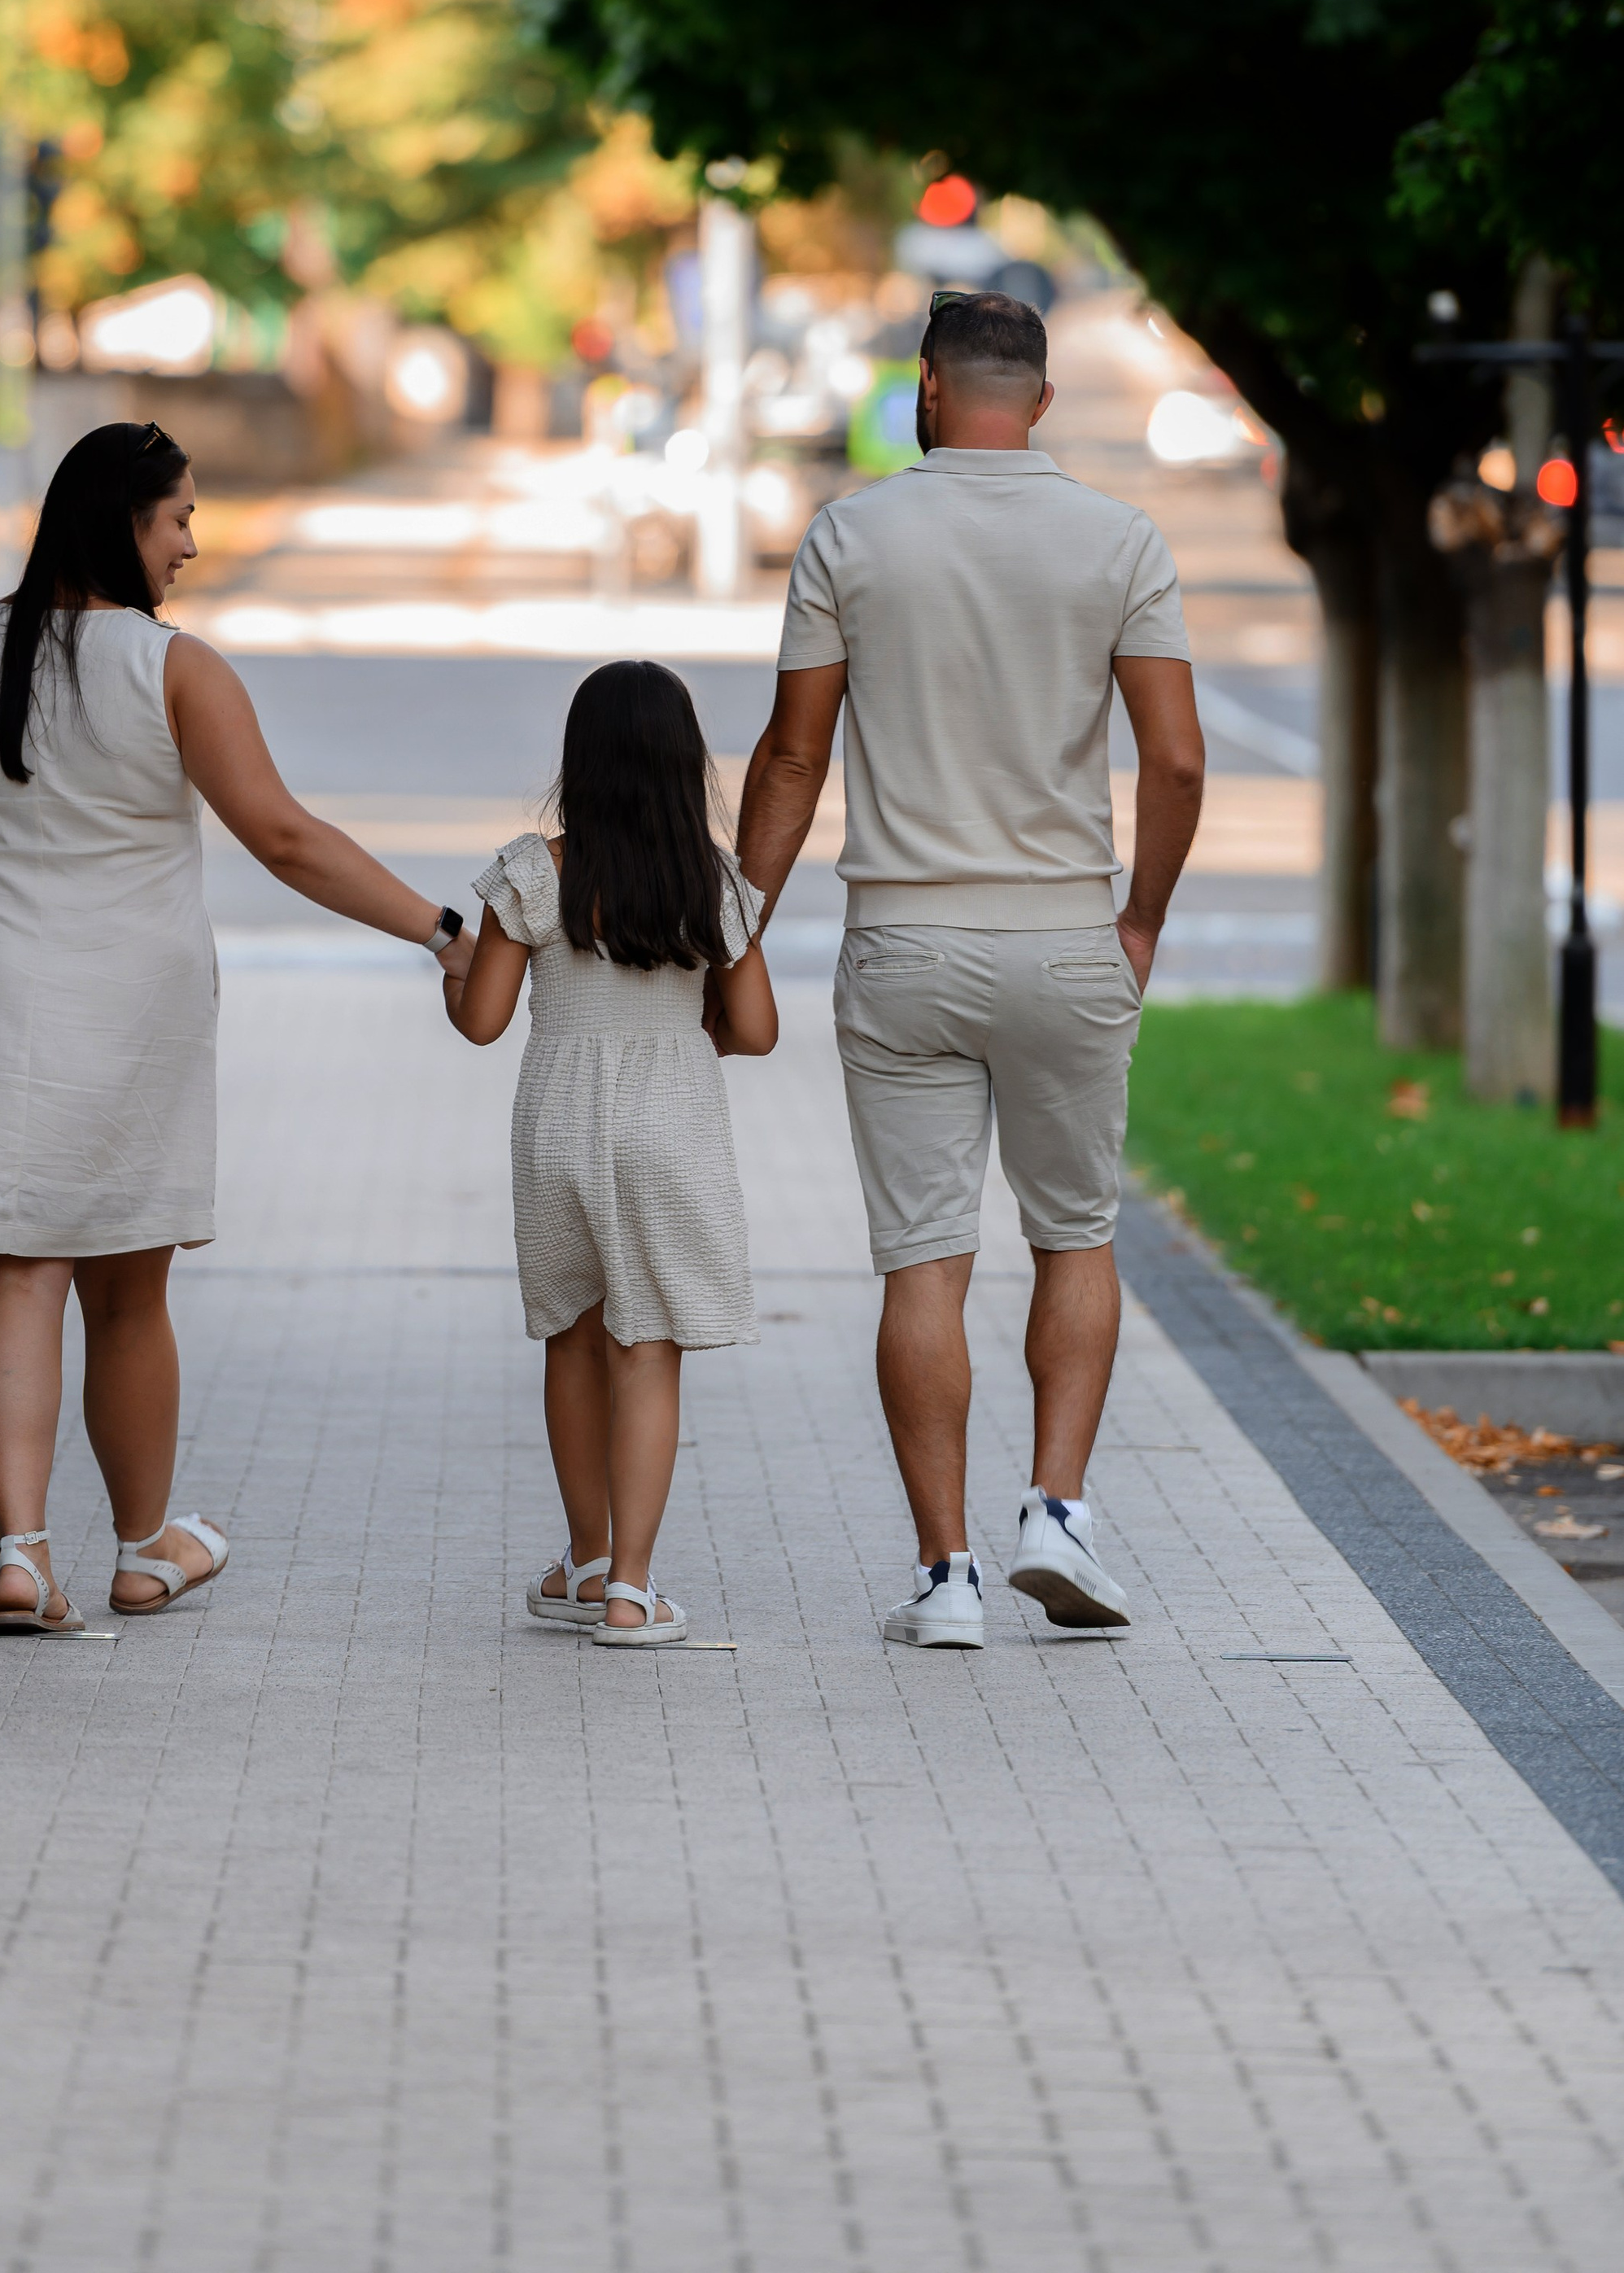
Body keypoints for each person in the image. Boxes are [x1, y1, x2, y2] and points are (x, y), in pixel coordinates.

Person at [0, 421, 474, 1635]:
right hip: (129, 1004)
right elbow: (287, 839)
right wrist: (440, 931)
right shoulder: (173, 668)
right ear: (125, 525)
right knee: (128, 1290)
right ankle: (146, 1549)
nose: (193, 546)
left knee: (16, 1270)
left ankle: (20, 1552)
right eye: (180, 520)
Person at [736, 291, 1204, 1648]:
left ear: (926, 389)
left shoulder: (851, 534)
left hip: (904, 944)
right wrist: (1143, 918)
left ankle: (946, 1580)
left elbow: (789, 755)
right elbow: (1174, 758)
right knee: (1076, 1229)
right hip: (1065, 934)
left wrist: (737, 932)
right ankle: (1056, 1509)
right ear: (1042, 400)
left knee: (924, 1264)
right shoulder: (1120, 539)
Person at [445, 661, 778, 1647]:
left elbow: (482, 1023)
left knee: (572, 1332)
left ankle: (586, 1560)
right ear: (685, 765)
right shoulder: (711, 879)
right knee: (648, 1344)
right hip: (671, 1112)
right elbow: (756, 1030)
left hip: (557, 1113)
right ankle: (631, 1587)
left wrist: (453, 970)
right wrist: (689, 1028)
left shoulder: (531, 869)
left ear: (577, 760)